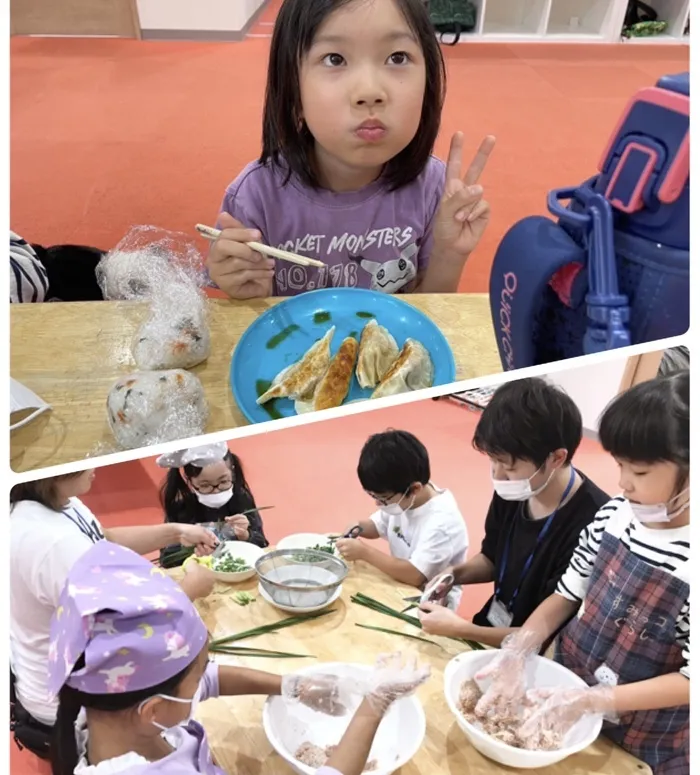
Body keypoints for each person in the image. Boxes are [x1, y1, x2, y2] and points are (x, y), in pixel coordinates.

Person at [49, 541, 430, 775]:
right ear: (153, 710)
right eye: (196, 673)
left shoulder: (102, 705)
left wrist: (289, 686)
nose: (206, 676)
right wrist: (373, 705)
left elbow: (209, 681)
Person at [206, 0, 496, 300]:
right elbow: (251, 326)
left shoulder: (434, 189)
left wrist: (449, 254)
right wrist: (246, 289)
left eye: (397, 57)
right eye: (334, 59)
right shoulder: (256, 197)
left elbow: (428, 315)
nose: (369, 91)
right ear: (293, 89)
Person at [475, 370, 690, 775]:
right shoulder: (612, 516)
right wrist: (520, 650)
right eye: (620, 465)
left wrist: (598, 700)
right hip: (569, 686)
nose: (623, 483)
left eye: (640, 473)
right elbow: (565, 595)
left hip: (643, 733)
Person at [10, 470, 218, 755]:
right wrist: (189, 589)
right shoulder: (52, 544)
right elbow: (129, 633)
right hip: (75, 704)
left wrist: (176, 532)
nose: (95, 468)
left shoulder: (57, 500)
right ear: (53, 475)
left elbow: (102, 541)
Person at [418, 377, 610, 648]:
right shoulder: (516, 488)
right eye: (493, 461)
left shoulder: (595, 523)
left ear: (556, 458)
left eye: (508, 466)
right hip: (489, 628)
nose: (498, 475)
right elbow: (493, 558)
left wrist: (463, 629)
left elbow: (545, 635)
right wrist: (454, 573)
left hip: (531, 656)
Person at [335, 430, 468, 608]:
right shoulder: (403, 499)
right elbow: (378, 525)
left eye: (383, 499)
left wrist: (364, 552)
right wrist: (359, 526)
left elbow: (415, 575)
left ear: (414, 489)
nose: (378, 503)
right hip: (400, 583)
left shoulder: (442, 524)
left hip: (429, 602)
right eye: (373, 496)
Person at [157, 443, 269, 568]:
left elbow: (263, 545)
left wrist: (246, 536)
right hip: (198, 574)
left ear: (232, 471)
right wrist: (190, 549)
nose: (216, 491)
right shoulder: (180, 507)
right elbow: (166, 559)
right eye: (205, 485)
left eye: (223, 481)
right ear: (189, 482)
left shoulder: (241, 498)